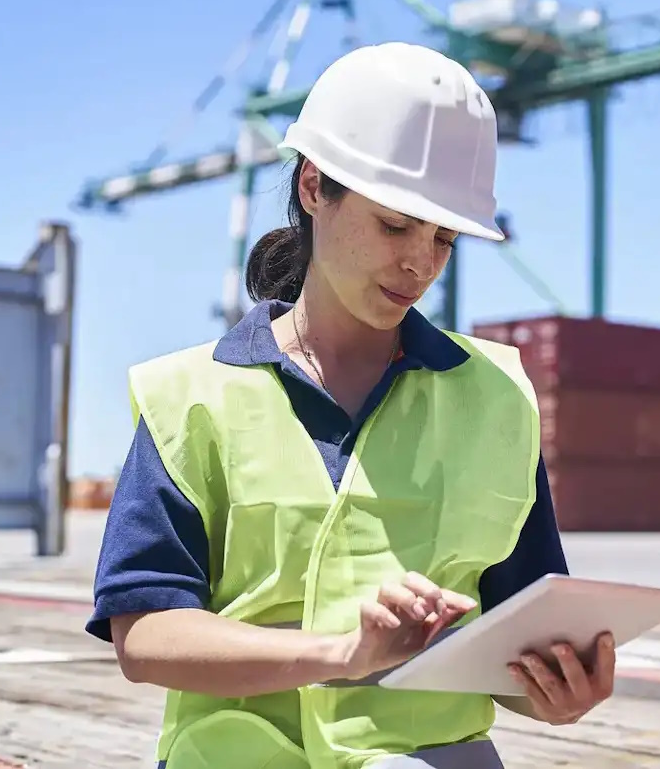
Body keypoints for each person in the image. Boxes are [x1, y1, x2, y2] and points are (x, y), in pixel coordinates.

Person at [85, 41, 616, 769]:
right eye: (396, 225)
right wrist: (341, 654)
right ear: (313, 187)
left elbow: (518, 636)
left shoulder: (498, 400)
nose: (419, 263)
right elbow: (143, 636)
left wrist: (556, 693)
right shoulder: (189, 399)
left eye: (444, 238)